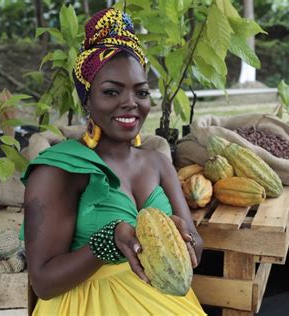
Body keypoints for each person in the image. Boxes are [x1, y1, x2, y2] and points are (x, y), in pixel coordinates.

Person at [20, 7, 206, 315]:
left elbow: (195, 245)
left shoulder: (158, 163)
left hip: (167, 301)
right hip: (88, 304)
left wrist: (175, 237)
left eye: (141, 91)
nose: (130, 103)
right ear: (87, 100)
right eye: (111, 91)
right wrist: (108, 242)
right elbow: (43, 281)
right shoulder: (60, 170)